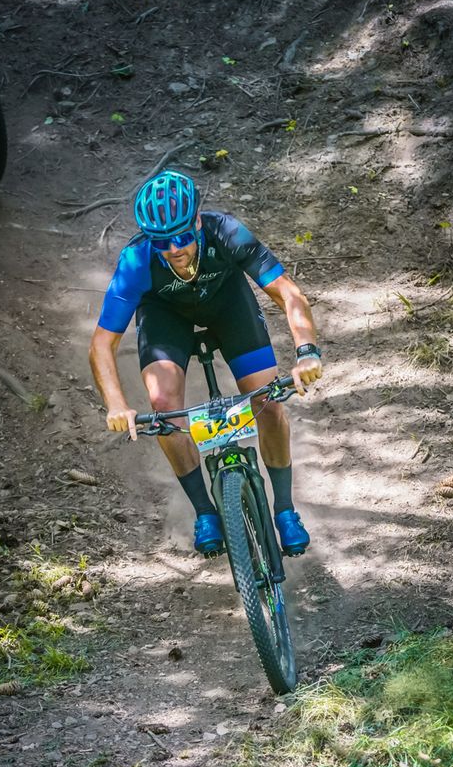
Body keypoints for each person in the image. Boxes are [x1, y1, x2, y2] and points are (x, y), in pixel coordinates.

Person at [89, 170, 322, 557]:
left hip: (228, 304)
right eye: (161, 242)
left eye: (182, 237)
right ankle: (205, 511)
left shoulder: (226, 232)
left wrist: (307, 351)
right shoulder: (136, 260)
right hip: (165, 316)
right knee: (163, 407)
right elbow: (102, 343)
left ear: (197, 221)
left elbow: (289, 293)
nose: (174, 249)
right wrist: (115, 404)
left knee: (268, 401)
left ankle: (284, 509)